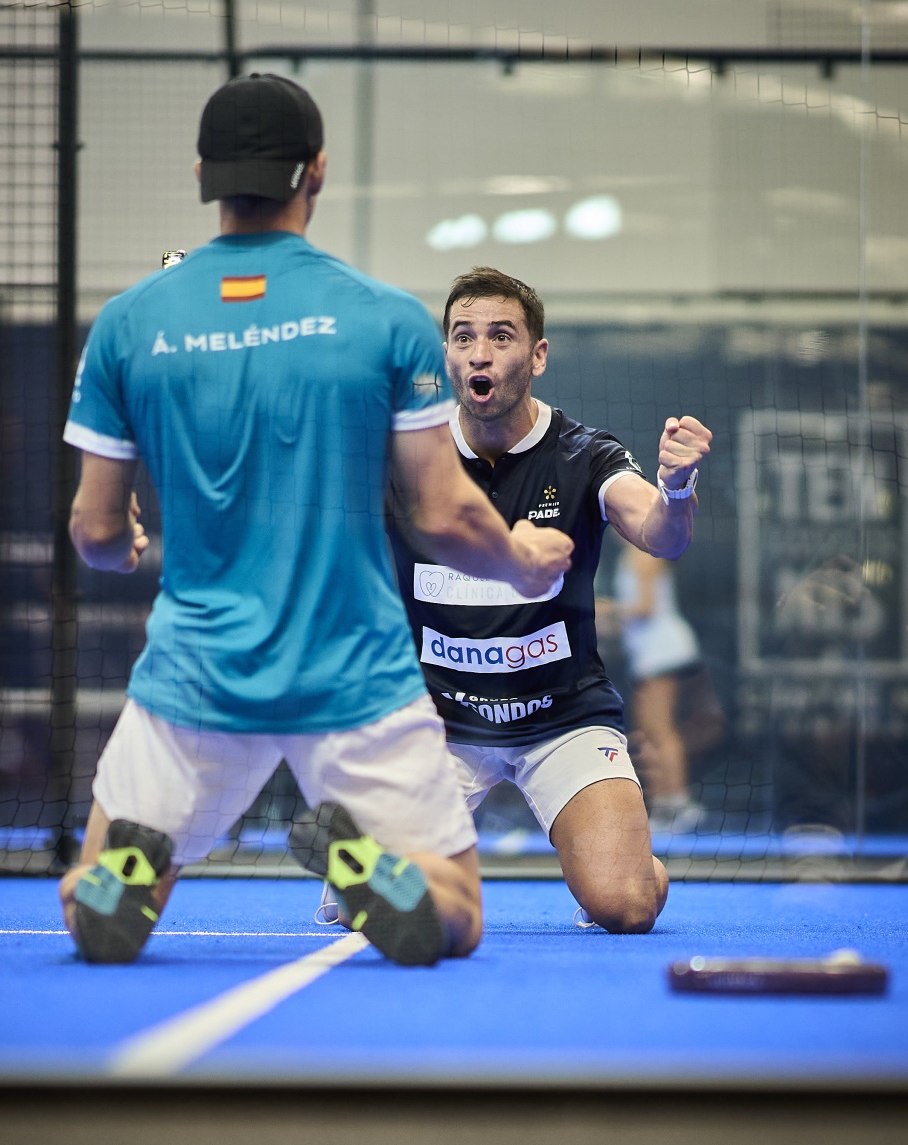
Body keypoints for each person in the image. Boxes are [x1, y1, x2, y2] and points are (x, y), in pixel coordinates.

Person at [58, 79, 572, 967]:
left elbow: (94, 532)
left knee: (97, 914)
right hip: (354, 674)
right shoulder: (384, 319)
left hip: (196, 676)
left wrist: (123, 543)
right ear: (318, 172)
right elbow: (442, 512)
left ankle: (127, 865)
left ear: (202, 174)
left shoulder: (130, 324)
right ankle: (360, 859)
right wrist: (523, 559)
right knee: (456, 916)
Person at [387, 267, 712, 933]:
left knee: (626, 904)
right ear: (446, 353)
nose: (480, 352)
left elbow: (659, 532)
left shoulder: (584, 455)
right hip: (439, 719)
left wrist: (676, 488)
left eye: (501, 336)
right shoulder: (407, 455)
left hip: (559, 715)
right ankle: (381, 856)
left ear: (537, 354)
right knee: (392, 900)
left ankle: (630, 860)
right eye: (463, 337)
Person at [613, 540, 725, 833]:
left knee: (660, 730)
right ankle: (665, 806)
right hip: (650, 652)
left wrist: (604, 611)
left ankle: (679, 805)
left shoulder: (642, 554)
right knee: (651, 731)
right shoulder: (633, 555)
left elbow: (645, 608)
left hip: (662, 649)